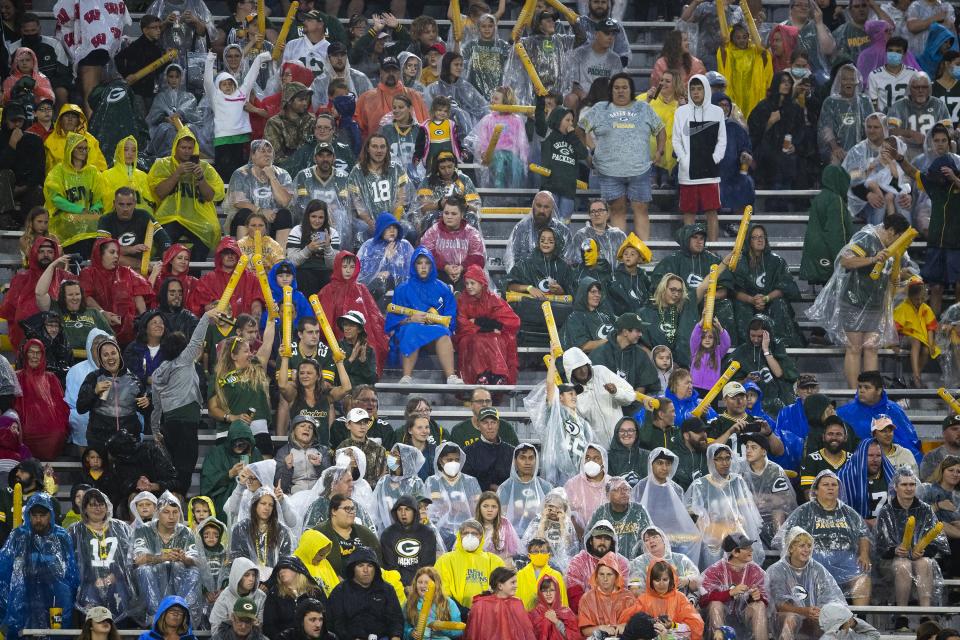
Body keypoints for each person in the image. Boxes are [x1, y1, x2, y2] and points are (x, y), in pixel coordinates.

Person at [578, 73, 665, 239]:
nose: (620, 91)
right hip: (609, 171)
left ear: (631, 90)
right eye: (616, 88)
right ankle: (620, 253)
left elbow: (661, 130)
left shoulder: (643, 108)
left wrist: (659, 151)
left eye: (624, 87)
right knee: (617, 209)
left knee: (641, 208)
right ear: (611, 90)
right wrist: (588, 152)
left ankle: (643, 252)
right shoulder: (600, 108)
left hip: (640, 170)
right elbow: (580, 129)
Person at [776, 470, 872, 604]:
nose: (830, 487)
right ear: (815, 490)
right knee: (810, 575)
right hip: (813, 556)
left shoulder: (849, 512)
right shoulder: (805, 510)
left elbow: (863, 533)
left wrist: (864, 554)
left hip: (845, 557)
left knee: (862, 577)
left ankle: (858, 619)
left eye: (834, 484)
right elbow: (787, 534)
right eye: (825, 484)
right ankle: (816, 615)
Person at [0, 491, 78, 637]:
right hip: (25, 598)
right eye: (34, 516)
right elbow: (4, 568)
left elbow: (70, 573)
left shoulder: (61, 536)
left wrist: (66, 597)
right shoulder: (18, 535)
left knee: (56, 634)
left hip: (55, 599)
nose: (38, 520)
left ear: (51, 515)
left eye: (42, 516)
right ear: (28, 515)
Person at [147, 126, 226, 263]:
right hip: (170, 216)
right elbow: (159, 193)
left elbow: (210, 196)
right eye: (183, 147)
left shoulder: (205, 168)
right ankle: (167, 272)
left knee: (210, 230)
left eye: (190, 148)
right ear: (175, 147)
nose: (187, 151)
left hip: (198, 216)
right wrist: (177, 173)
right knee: (164, 234)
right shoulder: (163, 165)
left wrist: (201, 178)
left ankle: (194, 273)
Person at [385, 248, 462, 384]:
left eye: (427, 263)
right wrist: (410, 319)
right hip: (410, 327)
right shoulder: (402, 289)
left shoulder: (443, 288)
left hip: (435, 329)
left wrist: (435, 321)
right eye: (419, 263)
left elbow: (450, 318)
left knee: (443, 332)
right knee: (411, 330)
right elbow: (393, 320)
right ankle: (406, 377)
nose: (424, 266)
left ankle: (451, 377)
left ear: (432, 265)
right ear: (414, 265)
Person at [876, 467, 949, 606]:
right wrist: (895, 551)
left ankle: (926, 614)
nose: (909, 488)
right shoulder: (886, 511)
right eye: (904, 484)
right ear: (895, 487)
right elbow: (879, 546)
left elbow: (937, 541)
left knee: (924, 563)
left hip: (919, 558)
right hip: (891, 561)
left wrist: (923, 551)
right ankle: (901, 615)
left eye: (912, 484)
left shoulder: (925, 509)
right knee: (902, 565)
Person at [685, 442, 764, 567]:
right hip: (712, 541)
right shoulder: (700, 485)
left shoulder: (737, 481)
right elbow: (693, 514)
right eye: (720, 459)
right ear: (711, 461)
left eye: (727, 458)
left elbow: (748, 511)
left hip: (737, 536)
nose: (725, 463)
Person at [133, 493, 204, 623]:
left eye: (175, 512)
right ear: (157, 513)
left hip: (177, 578)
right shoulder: (143, 530)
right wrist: (161, 557)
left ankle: (182, 612)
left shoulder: (186, 532)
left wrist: (185, 558)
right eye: (166, 512)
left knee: (192, 571)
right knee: (144, 570)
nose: (171, 517)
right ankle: (157, 616)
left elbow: (198, 560)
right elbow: (138, 560)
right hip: (154, 579)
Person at [767, 526, 845, 640]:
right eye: (802, 546)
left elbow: (830, 596)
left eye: (809, 546)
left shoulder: (817, 569)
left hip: (811, 616)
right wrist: (804, 611)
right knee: (791, 618)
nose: (807, 550)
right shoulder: (777, 570)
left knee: (829, 619)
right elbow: (779, 604)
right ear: (791, 548)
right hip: (781, 618)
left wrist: (820, 612)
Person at [76, 336, 149, 452]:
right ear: (100, 359)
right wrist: (94, 392)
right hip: (99, 439)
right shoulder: (93, 377)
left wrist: (147, 403)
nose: (110, 357)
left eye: (113, 353)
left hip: (128, 439)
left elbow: (146, 411)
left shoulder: (134, 379)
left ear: (119, 355)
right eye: (105, 355)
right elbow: (80, 408)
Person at [836, 369, 922, 461]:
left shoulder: (894, 410)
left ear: (879, 390)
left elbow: (908, 443)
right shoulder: (844, 413)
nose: (861, 391)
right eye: (860, 387)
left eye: (867, 387)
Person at [699, 533, 769, 640]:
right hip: (719, 618)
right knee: (715, 605)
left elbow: (766, 600)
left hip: (744, 617)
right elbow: (704, 600)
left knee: (759, 606)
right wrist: (730, 593)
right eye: (746, 548)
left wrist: (756, 597)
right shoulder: (715, 570)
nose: (751, 550)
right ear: (735, 552)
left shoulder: (755, 571)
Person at [799, 165, 854, 286]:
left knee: (823, 298)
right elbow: (836, 233)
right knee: (831, 297)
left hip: (816, 252)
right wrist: (843, 260)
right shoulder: (835, 200)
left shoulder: (820, 197)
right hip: (828, 254)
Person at [14, 339, 68, 460]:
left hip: (49, 425)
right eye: (31, 352)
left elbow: (61, 406)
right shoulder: (17, 376)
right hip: (24, 424)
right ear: (25, 354)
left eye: (38, 353)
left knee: (57, 432)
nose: (34, 356)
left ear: (43, 356)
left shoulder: (51, 378)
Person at [435, 519, 505, 611]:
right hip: (454, 615)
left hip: (486, 613)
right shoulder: (445, 560)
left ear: (481, 536)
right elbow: (441, 590)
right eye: (466, 533)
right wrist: (459, 610)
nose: (470, 536)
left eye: (475, 533)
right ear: (460, 536)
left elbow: (502, 590)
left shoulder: (495, 561)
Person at [357, 56, 429, 139]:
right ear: (381, 72)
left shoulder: (415, 96)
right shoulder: (366, 98)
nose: (391, 74)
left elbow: (426, 127)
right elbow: (359, 130)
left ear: (399, 72)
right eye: (387, 71)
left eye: (394, 70)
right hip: (378, 149)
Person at [566, 519, 631, 607]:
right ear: (590, 540)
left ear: (612, 542)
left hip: (613, 613)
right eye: (598, 537)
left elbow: (622, 594)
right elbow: (573, 594)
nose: (602, 542)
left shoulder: (622, 563)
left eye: (607, 538)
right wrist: (591, 612)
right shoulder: (579, 561)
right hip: (584, 613)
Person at [819, 64, 874, 163]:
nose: (849, 82)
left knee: (861, 173)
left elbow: (872, 126)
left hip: (863, 149)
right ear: (839, 82)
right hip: (838, 150)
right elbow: (826, 128)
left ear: (857, 82)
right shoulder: (830, 102)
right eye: (845, 79)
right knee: (836, 166)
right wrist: (835, 148)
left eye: (852, 79)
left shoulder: (865, 101)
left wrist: (865, 149)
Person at [262, 557, 327, 639]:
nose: (281, 571)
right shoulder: (275, 594)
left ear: (297, 569)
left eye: (285, 567)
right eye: (279, 570)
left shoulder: (316, 592)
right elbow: (269, 626)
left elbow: (327, 620)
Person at [381, 495, 438, 585]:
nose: (403, 513)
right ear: (395, 512)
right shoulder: (387, 534)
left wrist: (415, 586)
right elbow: (390, 567)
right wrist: (401, 586)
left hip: (421, 585)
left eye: (407, 509)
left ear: (414, 512)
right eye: (400, 509)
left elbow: (427, 565)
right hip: (396, 585)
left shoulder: (427, 534)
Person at [497, 444, 553, 536]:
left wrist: (522, 512)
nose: (527, 462)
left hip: (540, 540)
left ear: (536, 461)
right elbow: (500, 517)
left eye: (531, 458)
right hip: (511, 539)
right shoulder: (505, 488)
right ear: (515, 461)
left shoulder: (546, 487)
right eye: (522, 458)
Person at [576, 554, 636, 638]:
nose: (605, 578)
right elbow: (584, 631)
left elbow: (637, 625)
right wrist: (600, 628)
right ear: (596, 576)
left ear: (616, 576)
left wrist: (625, 626)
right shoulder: (587, 598)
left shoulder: (628, 597)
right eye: (601, 574)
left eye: (609, 574)